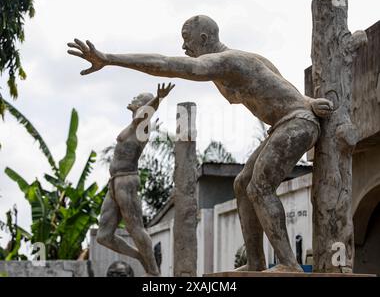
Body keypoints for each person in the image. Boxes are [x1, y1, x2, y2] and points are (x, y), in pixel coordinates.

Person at [67, 15, 332, 272]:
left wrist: (110, 59)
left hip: (296, 124)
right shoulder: (242, 59)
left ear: (203, 38)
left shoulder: (226, 61)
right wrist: (307, 101)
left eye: (186, 39)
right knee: (242, 185)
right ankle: (256, 262)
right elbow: (280, 83)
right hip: (285, 124)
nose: (184, 47)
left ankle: (288, 263)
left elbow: (165, 62)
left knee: (260, 187)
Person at [96, 83, 175, 276]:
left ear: (143, 105)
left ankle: (154, 273)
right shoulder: (133, 124)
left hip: (126, 180)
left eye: (138, 98)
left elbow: (146, 113)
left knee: (135, 228)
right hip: (114, 182)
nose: (132, 98)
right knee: (103, 236)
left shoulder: (142, 125)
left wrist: (158, 99)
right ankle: (141, 256)